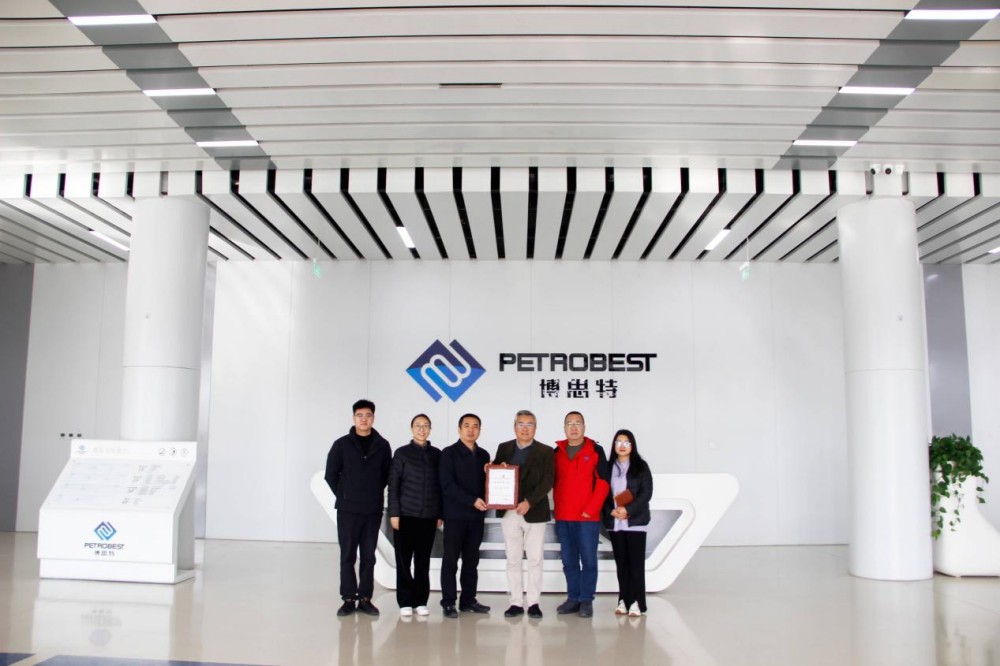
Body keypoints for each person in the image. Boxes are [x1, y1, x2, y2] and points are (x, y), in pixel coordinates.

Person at [325, 399, 392, 617]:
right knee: (347, 555)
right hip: (348, 510)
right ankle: (348, 598)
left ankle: (364, 598)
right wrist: (345, 494)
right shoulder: (341, 444)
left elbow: (386, 475)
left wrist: (371, 492)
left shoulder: (382, 445)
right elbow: (330, 474)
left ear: (374, 418)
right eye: (360, 415)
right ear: (353, 418)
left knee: (368, 556)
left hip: (372, 509)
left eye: (368, 415)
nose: (364, 419)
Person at [493, 410, 554, 620]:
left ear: (535, 428)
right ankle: (516, 602)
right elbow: (496, 473)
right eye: (521, 424)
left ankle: (534, 602)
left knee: (535, 559)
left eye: (530, 425)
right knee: (513, 558)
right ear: (514, 427)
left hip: (534, 511)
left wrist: (529, 501)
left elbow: (548, 481)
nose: (525, 428)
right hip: (509, 511)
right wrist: (493, 467)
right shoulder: (504, 448)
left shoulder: (546, 451)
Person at [552, 411, 609, 618]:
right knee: (569, 561)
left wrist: (591, 509)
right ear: (564, 428)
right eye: (569, 423)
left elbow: (603, 483)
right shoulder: (556, 452)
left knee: (589, 560)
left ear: (584, 427)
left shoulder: (595, 450)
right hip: (563, 516)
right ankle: (573, 598)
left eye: (578, 423)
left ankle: (586, 600)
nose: (574, 427)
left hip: (587, 518)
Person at [387, 414, 442, 618]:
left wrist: (440, 513)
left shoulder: (437, 455)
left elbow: (441, 487)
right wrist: (394, 513)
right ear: (411, 429)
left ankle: (420, 601)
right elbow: (393, 485)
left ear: (430, 429)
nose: (422, 429)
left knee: (422, 561)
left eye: (425, 425)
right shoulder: (402, 453)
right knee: (403, 561)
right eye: (418, 425)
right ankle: (405, 601)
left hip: (428, 517)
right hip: (405, 515)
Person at [439, 413, 491, 618]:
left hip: (476, 517)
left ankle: (468, 600)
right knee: (450, 560)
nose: (471, 430)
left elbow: (489, 484)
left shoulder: (484, 455)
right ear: (459, 429)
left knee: (471, 561)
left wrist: (496, 473)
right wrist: (471, 500)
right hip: (455, 516)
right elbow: (447, 485)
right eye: (467, 425)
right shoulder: (448, 453)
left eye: (475, 426)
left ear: (480, 430)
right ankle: (448, 602)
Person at [602, 429, 653, 617]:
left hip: (635, 522)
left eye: (626, 442)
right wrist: (611, 511)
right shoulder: (608, 467)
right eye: (618, 442)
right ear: (614, 445)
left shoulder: (641, 466)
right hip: (615, 523)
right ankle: (623, 599)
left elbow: (646, 493)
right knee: (622, 564)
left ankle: (638, 602)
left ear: (632, 446)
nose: (622, 446)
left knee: (635, 565)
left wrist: (628, 510)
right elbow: (602, 493)